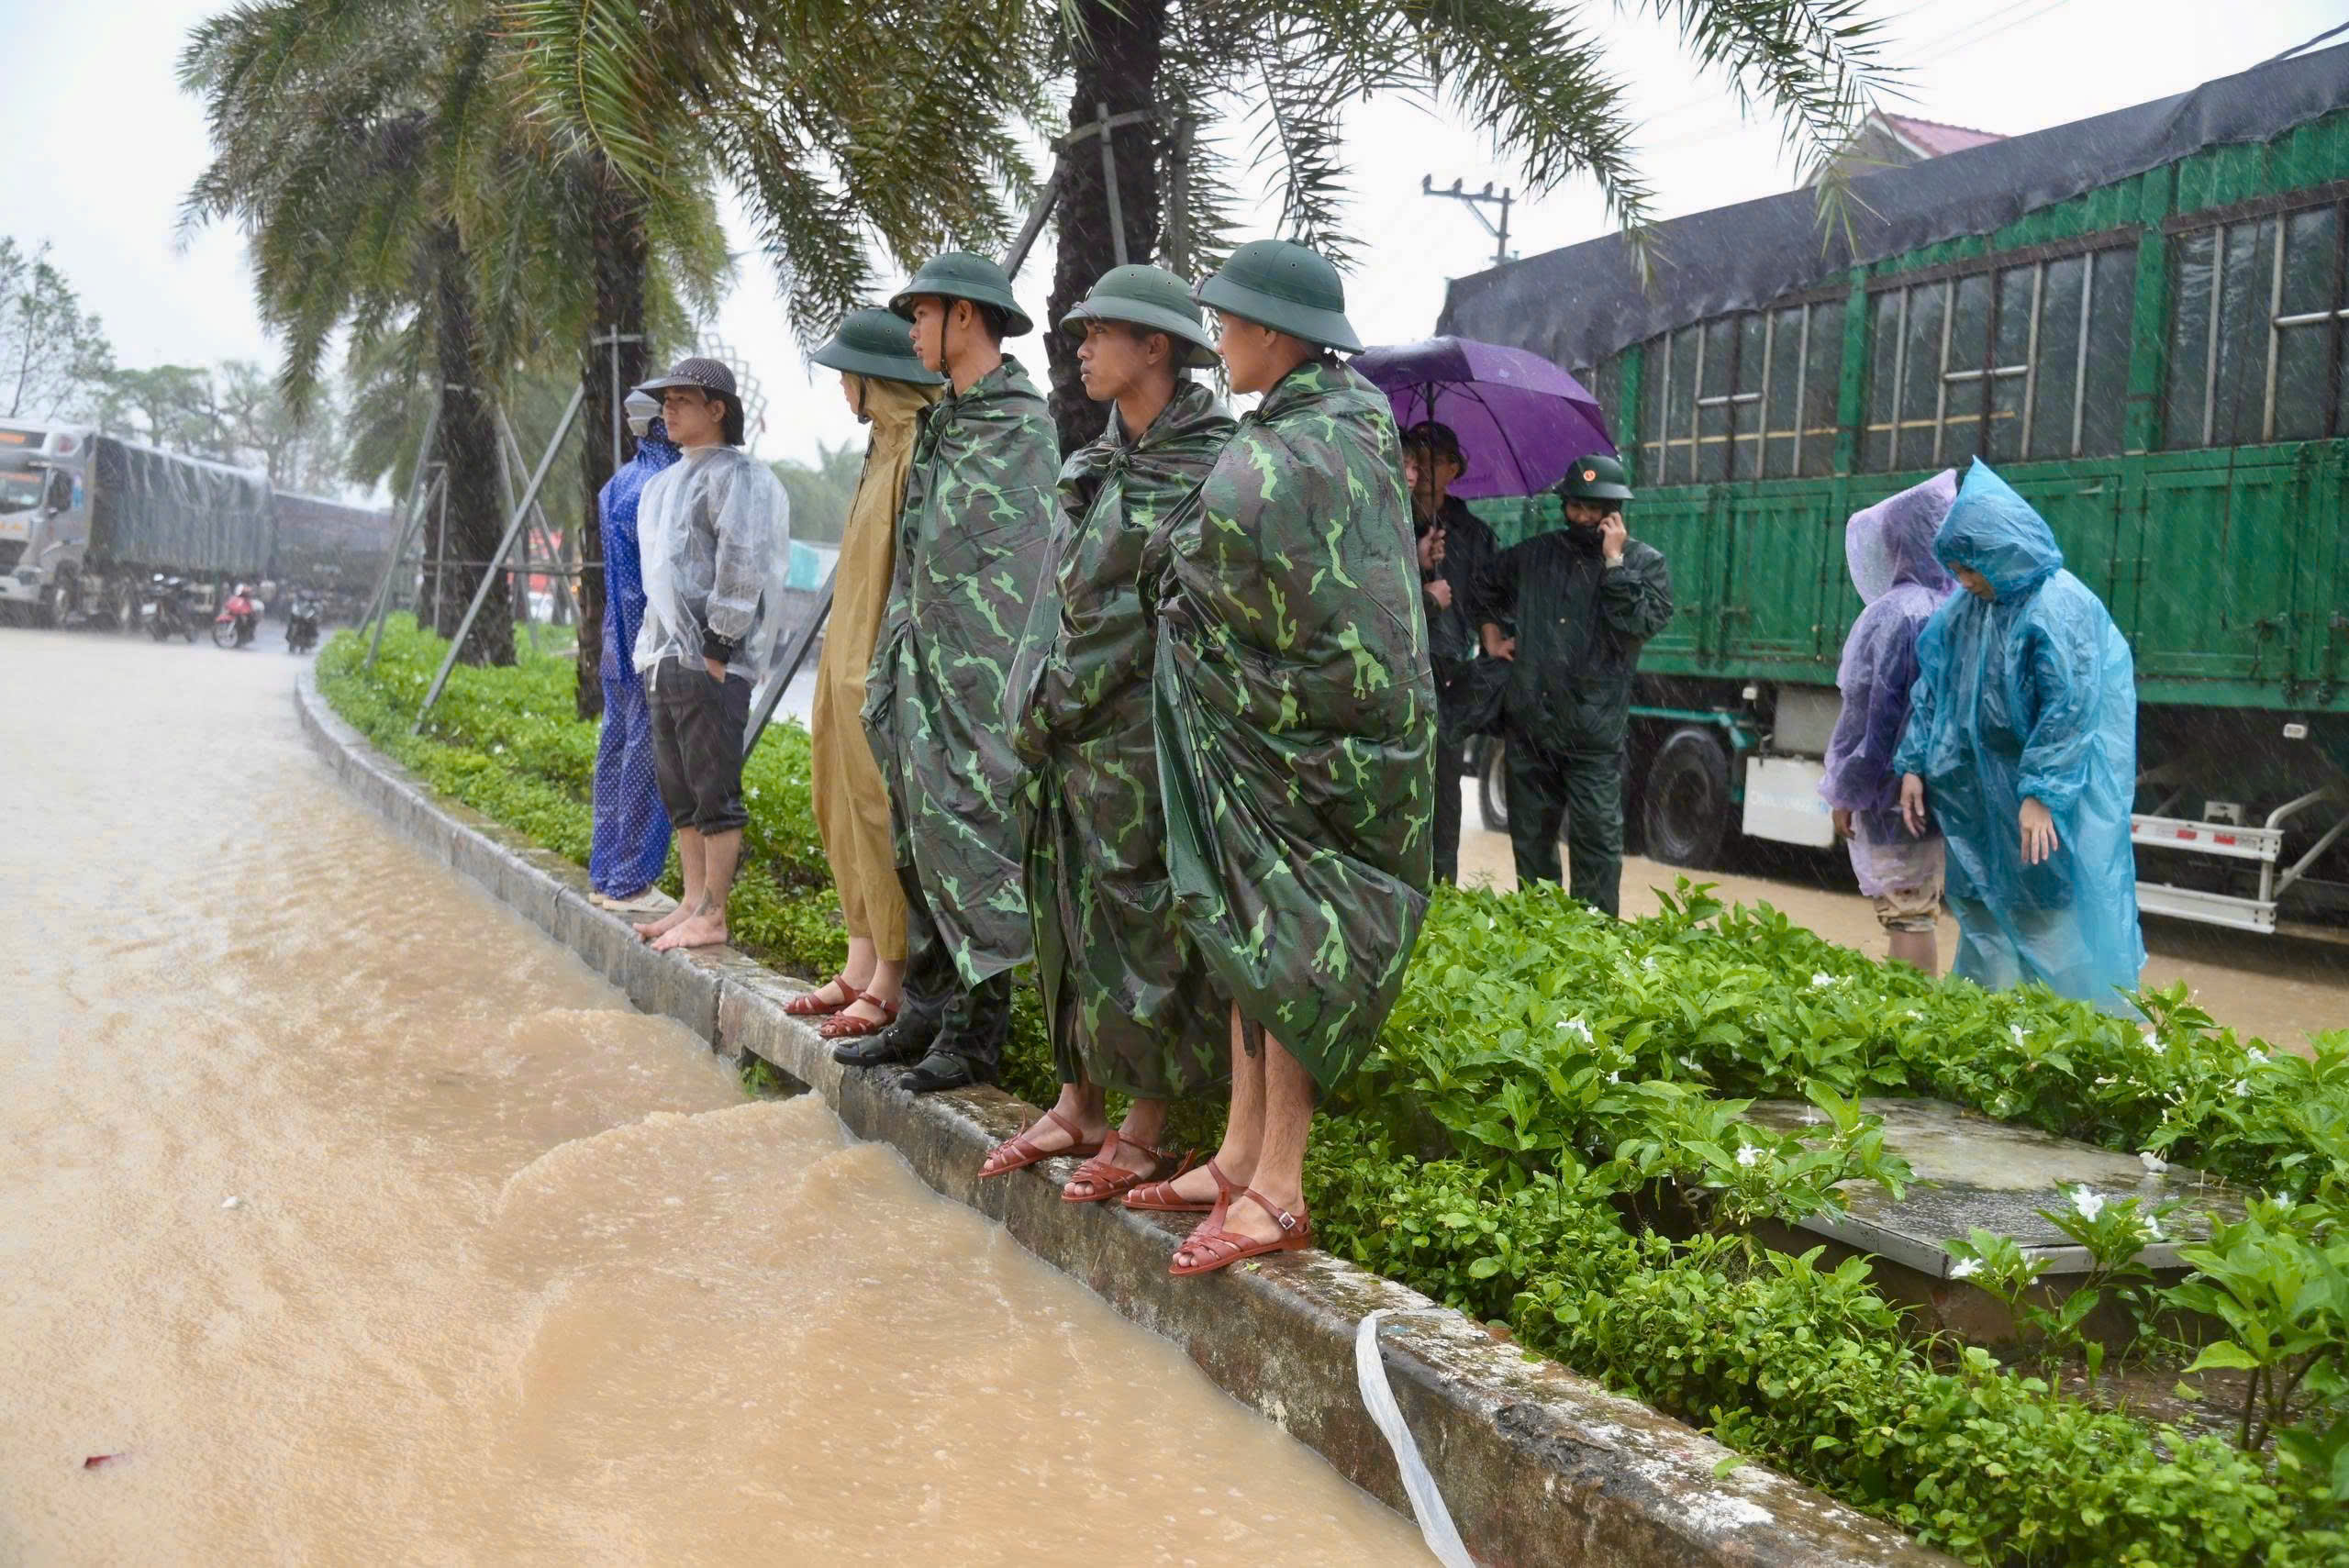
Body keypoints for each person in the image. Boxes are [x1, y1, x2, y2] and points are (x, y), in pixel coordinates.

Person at [1133, 239, 1435, 1275]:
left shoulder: (1321, 441)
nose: (1217, 342)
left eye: (1226, 323)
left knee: (1295, 942)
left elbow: (1235, 554)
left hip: (1326, 744)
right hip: (1269, 731)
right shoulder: (1305, 427)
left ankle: (1281, 1185)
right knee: (1245, 933)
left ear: (1270, 331)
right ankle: (1237, 1153)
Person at [977, 265, 1234, 1198]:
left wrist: (1054, 706)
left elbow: (1142, 616)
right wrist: (1034, 707)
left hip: (1143, 735)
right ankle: (1077, 1097)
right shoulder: (1093, 462)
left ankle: (1146, 1123)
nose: (1078, 347)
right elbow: (1058, 600)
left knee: (1142, 921)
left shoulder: (1209, 464)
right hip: (1067, 733)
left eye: (1099, 333)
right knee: (1068, 910)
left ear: (1155, 347)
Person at [844, 253, 1058, 1093]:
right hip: (920, 676)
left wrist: (990, 685)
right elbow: (922, 558)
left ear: (964, 317)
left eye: (920, 314)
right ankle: (925, 1013)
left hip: (980, 687)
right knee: (920, 843)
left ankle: (976, 1035)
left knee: (976, 844)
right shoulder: (947, 421)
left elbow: (1029, 570)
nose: (909, 333)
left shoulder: (1020, 426)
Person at [1894, 460, 2145, 1012]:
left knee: (2048, 922)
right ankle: (1993, 1042)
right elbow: (1931, 687)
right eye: (1957, 569)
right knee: (1982, 920)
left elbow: (2072, 706)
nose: (1961, 580)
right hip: (1974, 802)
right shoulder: (1967, 609)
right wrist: (1913, 762)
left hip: (2032, 804)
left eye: (1969, 567)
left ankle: (2080, 1047)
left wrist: (2042, 793)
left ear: (2000, 552)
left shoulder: (2059, 605)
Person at [785, 310, 945, 1041]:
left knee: (879, 810)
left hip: (876, 669)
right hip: (841, 663)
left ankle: (890, 971)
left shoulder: (916, 448)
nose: (842, 387)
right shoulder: (880, 449)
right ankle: (859, 955)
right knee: (835, 795)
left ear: (872, 382)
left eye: (849, 375)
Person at [625, 356, 795, 953]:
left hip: (711, 660)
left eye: (681, 400)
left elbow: (742, 560)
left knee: (714, 789)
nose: (666, 410)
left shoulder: (738, 477)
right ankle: (691, 901)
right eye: (664, 400)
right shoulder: (666, 482)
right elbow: (660, 575)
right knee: (679, 787)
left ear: (716, 409)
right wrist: (653, 652)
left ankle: (714, 913)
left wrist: (719, 644)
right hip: (665, 657)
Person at [1475, 454, 1672, 915]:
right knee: (1532, 845)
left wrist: (1615, 564)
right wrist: (1491, 637)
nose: (1583, 518)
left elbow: (1636, 625)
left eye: (1594, 509)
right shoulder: (1535, 554)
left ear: (1615, 511)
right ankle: (1542, 936)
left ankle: (1594, 945)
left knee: (1597, 847)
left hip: (1593, 736)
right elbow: (1484, 586)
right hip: (1531, 728)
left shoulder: (1645, 563)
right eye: (1575, 507)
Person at [1820, 471, 1957, 973]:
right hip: (1939, 785)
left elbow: (1867, 715)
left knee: (1906, 911)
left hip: (1892, 788)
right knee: (1921, 902)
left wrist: (1845, 790)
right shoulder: (1955, 608)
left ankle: (1909, 1027)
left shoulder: (1894, 614)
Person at [587, 390, 682, 912]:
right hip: (647, 645)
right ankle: (631, 883)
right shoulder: (660, 486)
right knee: (648, 764)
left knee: (615, 754)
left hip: (614, 645)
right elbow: (651, 586)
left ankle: (606, 874)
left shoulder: (615, 484)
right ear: (660, 426)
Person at [1400, 419, 1501, 884]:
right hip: (1395, 667)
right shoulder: (1388, 518)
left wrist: (1491, 637)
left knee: (1444, 783)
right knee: (1396, 785)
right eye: (1413, 454)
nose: (1419, 464)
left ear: (1454, 468)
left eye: (1431, 456)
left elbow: (1487, 597)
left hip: (1446, 672)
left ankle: (1442, 890)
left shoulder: (1473, 534)